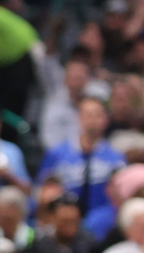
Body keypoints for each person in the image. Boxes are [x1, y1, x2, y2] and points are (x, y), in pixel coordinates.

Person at [38, 97, 127, 232]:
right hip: (63, 217)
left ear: (106, 119)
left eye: (98, 115)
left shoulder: (116, 158)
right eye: (88, 115)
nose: (92, 121)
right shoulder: (57, 154)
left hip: (101, 222)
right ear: (79, 118)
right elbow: (42, 191)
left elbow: (120, 197)